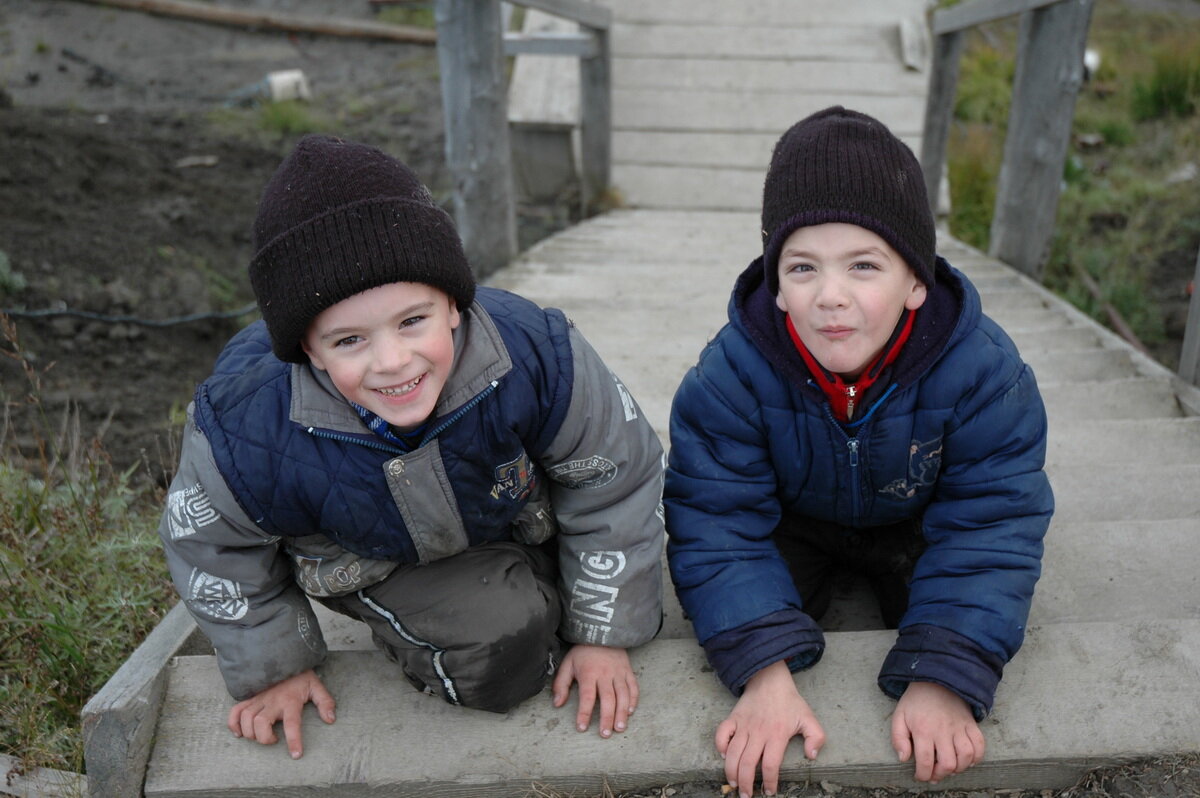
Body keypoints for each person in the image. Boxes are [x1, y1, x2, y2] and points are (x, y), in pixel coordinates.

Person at [158, 134, 665, 759]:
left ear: (453, 303)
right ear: (307, 350)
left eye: (412, 321)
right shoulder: (248, 429)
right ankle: (441, 623)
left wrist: (602, 636)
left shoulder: (536, 351)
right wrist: (275, 667)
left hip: (511, 507)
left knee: (607, 590)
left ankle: (538, 582)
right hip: (379, 552)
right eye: (348, 341)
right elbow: (209, 545)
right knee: (502, 651)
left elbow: (615, 471)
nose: (392, 361)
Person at [664, 106, 1053, 796]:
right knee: (751, 593)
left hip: (916, 522)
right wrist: (763, 671)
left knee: (945, 610)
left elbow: (993, 519)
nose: (831, 297)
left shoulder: (985, 373)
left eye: (864, 265)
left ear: (915, 283)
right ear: (776, 286)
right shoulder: (731, 374)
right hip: (795, 521)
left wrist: (945, 675)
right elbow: (715, 517)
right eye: (803, 267)